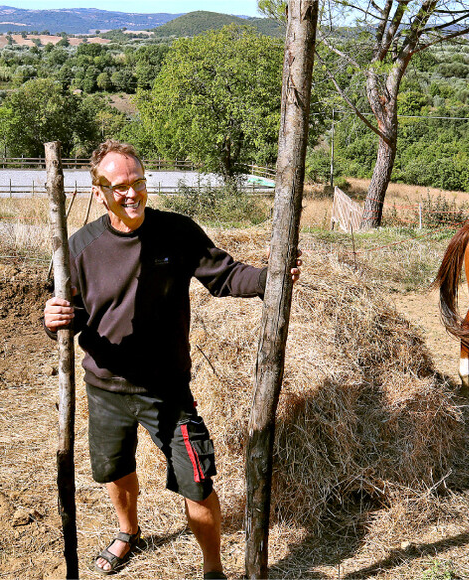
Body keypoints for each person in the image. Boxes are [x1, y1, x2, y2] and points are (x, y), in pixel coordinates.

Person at [42, 140, 299, 579]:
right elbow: (72, 315)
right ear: (97, 191)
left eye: (139, 183)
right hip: (104, 387)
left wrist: (270, 278)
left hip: (167, 390)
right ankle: (128, 532)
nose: (131, 194)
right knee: (114, 469)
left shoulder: (176, 233)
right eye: (119, 186)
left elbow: (226, 275)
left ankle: (213, 570)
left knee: (196, 482)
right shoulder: (78, 250)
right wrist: (53, 318)